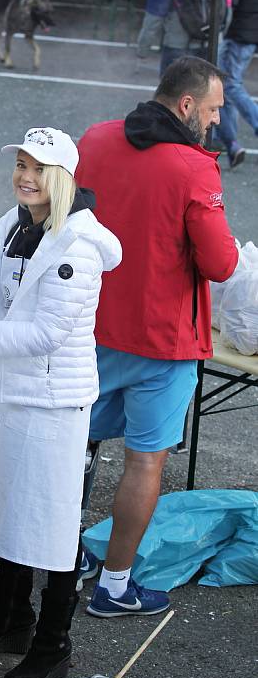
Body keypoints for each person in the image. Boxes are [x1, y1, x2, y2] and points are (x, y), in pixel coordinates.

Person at [0, 127, 121, 678]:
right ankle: (10, 619)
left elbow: (44, 333)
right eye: (20, 164)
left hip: (52, 405)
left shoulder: (78, 247)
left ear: (61, 176)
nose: (25, 176)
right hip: (11, 396)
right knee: (8, 511)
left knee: (52, 525)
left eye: (37, 168)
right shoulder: (15, 225)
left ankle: (53, 643)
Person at [76, 57, 239, 619]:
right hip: (163, 340)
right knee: (145, 463)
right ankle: (114, 586)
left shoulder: (95, 139)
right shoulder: (194, 168)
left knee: (76, 444)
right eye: (214, 110)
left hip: (91, 325)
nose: (217, 122)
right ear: (187, 105)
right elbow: (219, 263)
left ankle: (63, 556)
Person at [216, 0, 258, 168]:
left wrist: (220, 22)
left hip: (239, 30)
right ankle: (230, 143)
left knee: (229, 84)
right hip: (248, 29)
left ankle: (245, 130)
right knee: (224, 85)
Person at [137, 0, 202, 75]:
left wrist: (143, 47)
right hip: (208, 38)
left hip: (178, 38)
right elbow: (226, 0)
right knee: (202, 90)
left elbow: (157, 9)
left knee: (172, 90)